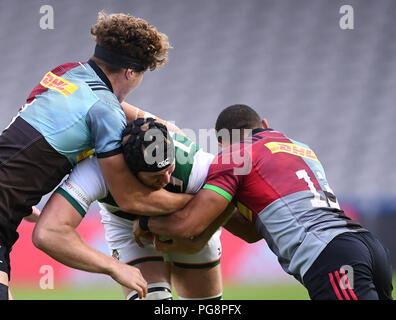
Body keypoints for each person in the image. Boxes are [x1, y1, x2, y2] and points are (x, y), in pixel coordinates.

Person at [0, 11, 192, 300]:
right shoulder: (104, 112)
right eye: (141, 74)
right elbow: (130, 198)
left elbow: (20, 148)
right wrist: (203, 201)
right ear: (130, 72)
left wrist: (23, 205)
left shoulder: (65, 72)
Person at [136, 104, 394, 300]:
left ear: (222, 143)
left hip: (329, 255)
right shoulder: (299, 146)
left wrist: (146, 222)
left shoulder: (234, 156)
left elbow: (188, 226)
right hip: (367, 245)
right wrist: (219, 204)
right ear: (264, 124)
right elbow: (252, 233)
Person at [33, 117, 228, 300]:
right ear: (130, 174)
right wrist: (113, 267)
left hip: (189, 222)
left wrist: (194, 237)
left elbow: (231, 204)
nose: (167, 180)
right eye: (156, 177)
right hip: (127, 228)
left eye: (169, 170)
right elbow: (48, 233)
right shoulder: (98, 171)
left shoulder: (196, 164)